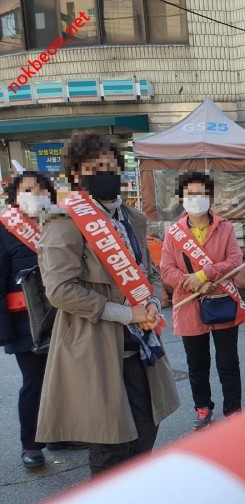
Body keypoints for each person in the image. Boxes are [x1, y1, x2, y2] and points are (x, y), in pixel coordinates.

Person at [36, 133, 179, 476]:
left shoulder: (132, 218)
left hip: (141, 344)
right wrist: (126, 313)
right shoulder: (64, 220)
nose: (105, 173)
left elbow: (152, 272)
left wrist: (153, 305)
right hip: (95, 345)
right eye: (93, 168)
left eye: (110, 166)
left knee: (146, 432)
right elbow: (60, 289)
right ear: (76, 176)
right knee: (111, 444)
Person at [161, 171, 245, 431]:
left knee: (228, 362)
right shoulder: (173, 233)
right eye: (190, 194)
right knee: (197, 364)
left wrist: (203, 275)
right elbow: (165, 269)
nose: (196, 199)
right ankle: (203, 407)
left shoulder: (225, 227)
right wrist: (192, 283)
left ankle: (233, 409)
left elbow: (235, 259)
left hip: (222, 299)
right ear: (181, 198)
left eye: (201, 193)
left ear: (210, 197)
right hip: (189, 304)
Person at [0, 172, 57, 468]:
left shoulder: (56, 222)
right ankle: (31, 445)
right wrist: (5, 332)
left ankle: (62, 434)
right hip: (25, 322)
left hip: (62, 315)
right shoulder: (5, 228)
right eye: (27, 190)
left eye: (41, 189)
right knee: (34, 382)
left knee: (62, 378)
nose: (35, 194)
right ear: (14, 195)